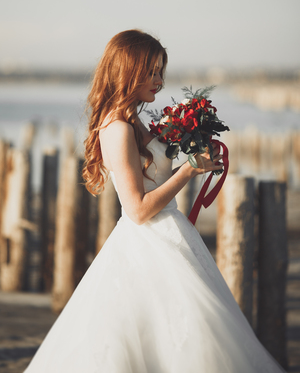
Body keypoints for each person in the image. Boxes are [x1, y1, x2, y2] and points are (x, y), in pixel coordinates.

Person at [25, 29, 285, 372]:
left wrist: (196, 160)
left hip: (170, 233)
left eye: (160, 71)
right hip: (147, 241)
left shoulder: (134, 119)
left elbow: (155, 176)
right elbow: (137, 210)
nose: (159, 80)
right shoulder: (117, 128)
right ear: (126, 70)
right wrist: (187, 172)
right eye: (150, 71)